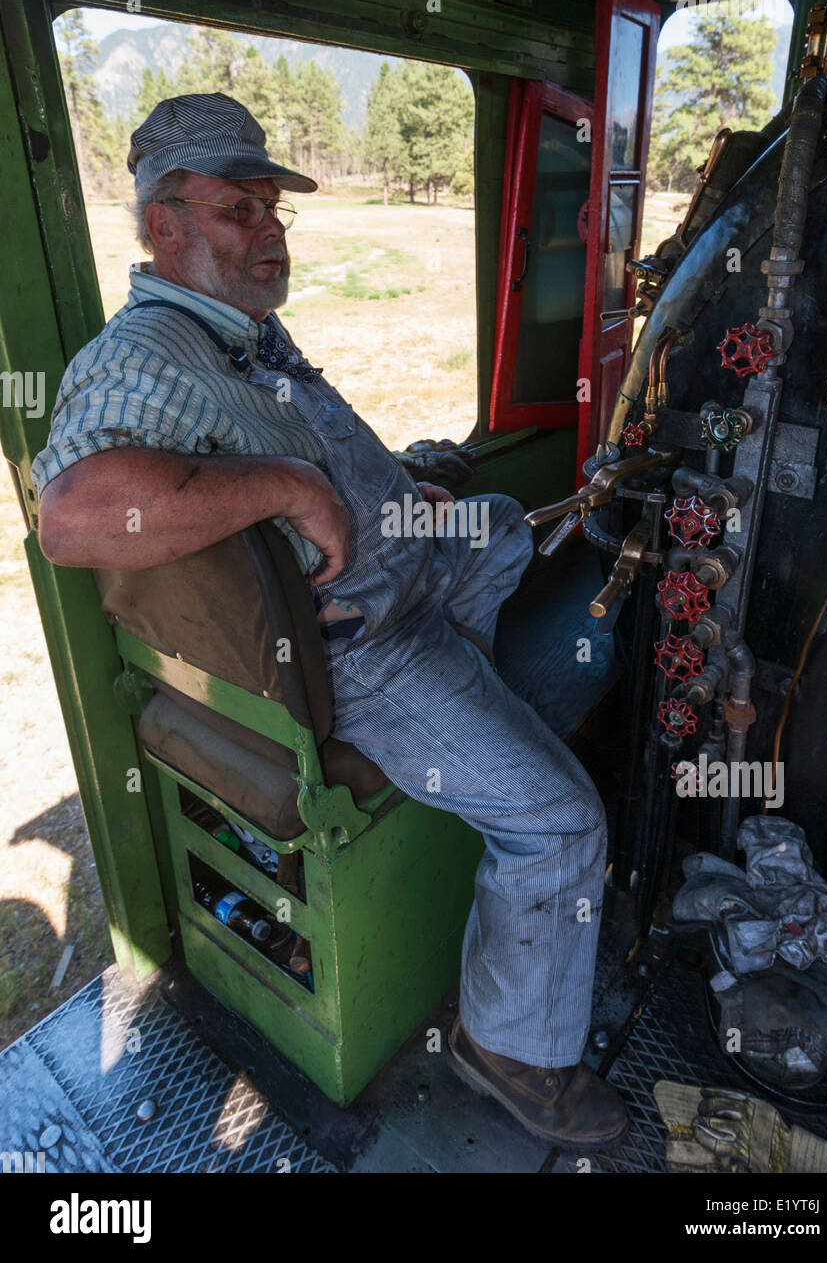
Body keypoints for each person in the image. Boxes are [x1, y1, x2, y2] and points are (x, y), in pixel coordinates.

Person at [33, 92, 626, 1150]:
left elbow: (317, 446)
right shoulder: (151, 354)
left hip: (408, 568)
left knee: (495, 517)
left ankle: (481, 723)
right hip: (370, 648)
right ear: (163, 225)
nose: (267, 233)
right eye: (237, 210)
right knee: (564, 823)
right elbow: (73, 515)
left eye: (272, 207)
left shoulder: (246, 329)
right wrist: (284, 489)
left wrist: (398, 493)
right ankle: (513, 1053)